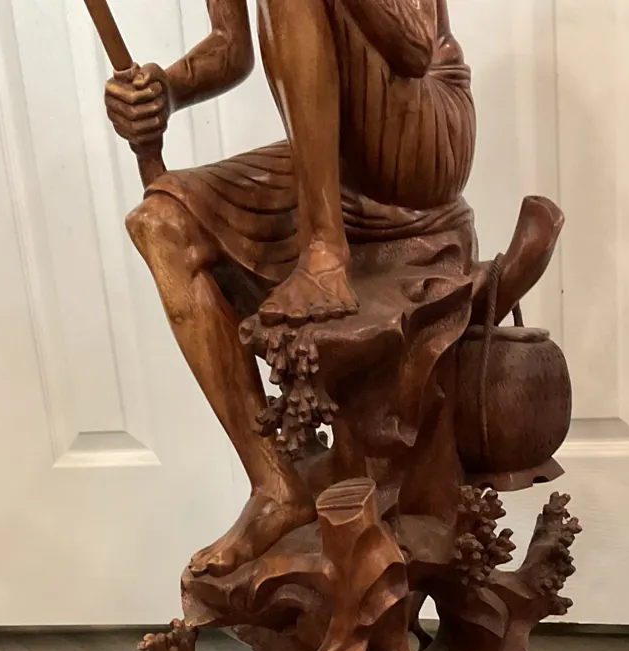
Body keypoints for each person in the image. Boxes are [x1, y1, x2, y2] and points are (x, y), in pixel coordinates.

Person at [105, 0, 475, 574]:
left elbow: (411, 45)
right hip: (334, 159)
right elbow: (230, 47)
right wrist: (164, 90)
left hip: (423, 135)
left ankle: (325, 251)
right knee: (162, 224)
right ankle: (275, 485)